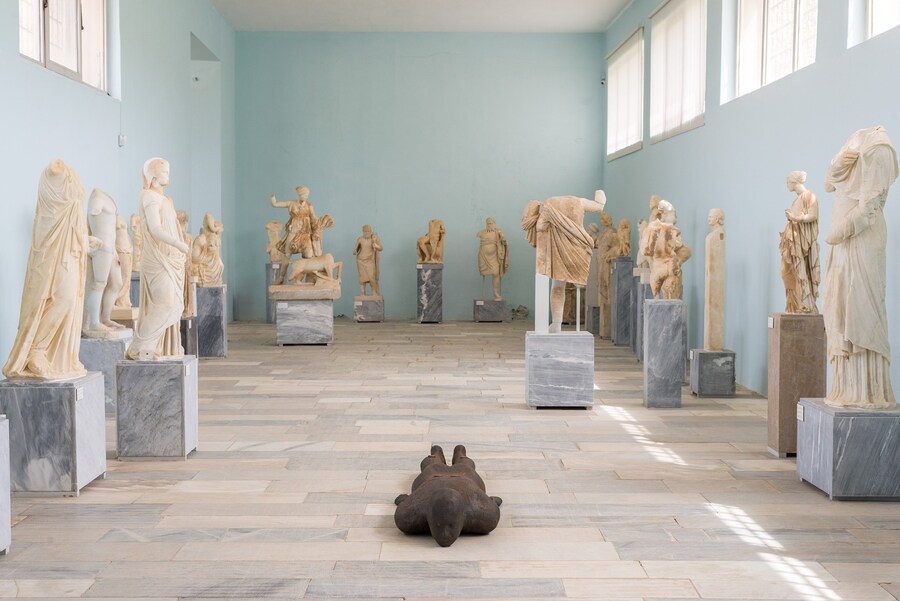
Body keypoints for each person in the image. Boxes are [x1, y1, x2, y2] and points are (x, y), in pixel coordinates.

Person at [822, 126, 898, 409]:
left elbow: (869, 208)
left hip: (861, 240)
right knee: (838, 307)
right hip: (842, 244)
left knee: (861, 309)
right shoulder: (852, 143)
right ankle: (844, 389)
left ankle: (866, 392)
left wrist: (840, 231)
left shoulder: (880, 149)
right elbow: (829, 183)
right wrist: (836, 165)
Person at [4, 159, 94, 379]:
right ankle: (36, 350)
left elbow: (74, 224)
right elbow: (56, 230)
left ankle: (58, 357)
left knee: (71, 301)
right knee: (63, 298)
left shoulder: (67, 195)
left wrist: (86, 240)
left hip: (71, 253)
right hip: (57, 256)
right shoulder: (51, 199)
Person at [127, 158, 189, 360]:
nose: (167, 174)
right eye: (164, 171)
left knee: (170, 303)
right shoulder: (149, 197)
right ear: (153, 175)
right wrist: (178, 243)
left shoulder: (164, 199)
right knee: (164, 303)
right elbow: (155, 229)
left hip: (169, 258)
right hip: (157, 259)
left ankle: (154, 347)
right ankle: (140, 346)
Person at [521, 191, 606, 332]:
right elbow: (599, 206)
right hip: (576, 248)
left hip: (562, 251)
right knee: (560, 287)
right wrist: (600, 193)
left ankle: (557, 323)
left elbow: (537, 227)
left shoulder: (548, 207)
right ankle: (556, 323)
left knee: (558, 287)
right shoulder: (578, 202)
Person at [269, 186, 333, 284]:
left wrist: (319, 226)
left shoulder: (309, 206)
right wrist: (273, 198)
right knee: (287, 255)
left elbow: (313, 218)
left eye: (306, 195)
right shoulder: (291, 203)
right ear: (299, 195)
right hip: (293, 232)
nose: (305, 197)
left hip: (305, 234)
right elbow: (275, 204)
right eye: (303, 195)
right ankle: (281, 278)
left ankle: (309, 278)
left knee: (309, 256)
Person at [779, 170, 820, 314]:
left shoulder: (809, 195)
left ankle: (806, 305)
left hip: (801, 241)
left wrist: (795, 218)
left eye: (788, 182)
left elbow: (813, 215)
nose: (787, 185)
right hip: (792, 240)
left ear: (794, 182)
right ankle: (796, 305)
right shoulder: (797, 199)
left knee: (800, 271)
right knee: (787, 272)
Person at [475, 217, 508, 301]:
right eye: (488, 223)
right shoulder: (481, 233)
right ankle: (485, 295)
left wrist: (503, 239)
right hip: (483, 256)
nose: (489, 225)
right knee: (484, 274)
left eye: (491, 223)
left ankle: (496, 294)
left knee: (496, 273)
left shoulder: (498, 232)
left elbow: (503, 242)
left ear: (494, 224)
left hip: (494, 257)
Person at [192, 212, 225, 287]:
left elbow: (213, 249)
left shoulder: (212, 237)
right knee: (219, 263)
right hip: (200, 261)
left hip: (207, 259)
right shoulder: (201, 238)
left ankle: (214, 279)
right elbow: (194, 258)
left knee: (220, 264)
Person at [353, 225, 382, 297]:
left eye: (368, 232)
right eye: (365, 232)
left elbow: (381, 248)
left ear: (370, 232)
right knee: (362, 278)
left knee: (372, 277)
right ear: (363, 232)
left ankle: (374, 292)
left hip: (370, 261)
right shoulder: (360, 239)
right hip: (360, 261)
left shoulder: (374, 239)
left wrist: (376, 245)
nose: (366, 233)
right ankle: (362, 292)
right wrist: (355, 251)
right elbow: (355, 248)